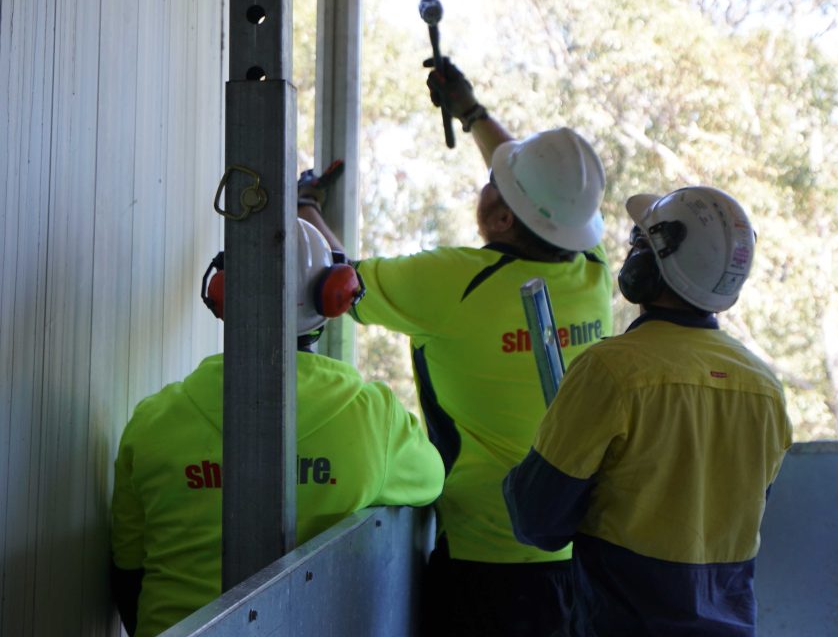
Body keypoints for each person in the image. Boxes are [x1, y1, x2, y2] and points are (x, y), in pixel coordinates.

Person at [300, 59, 613, 637]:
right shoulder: (593, 272)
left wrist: (306, 207)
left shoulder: (451, 284)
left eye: (496, 180)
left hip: (485, 562)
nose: (488, 176)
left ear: (502, 216)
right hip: (582, 554)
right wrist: (470, 113)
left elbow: (337, 282)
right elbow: (548, 202)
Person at [110, 219, 445, 637]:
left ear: (223, 297)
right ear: (333, 296)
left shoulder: (152, 422)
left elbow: (128, 571)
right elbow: (432, 481)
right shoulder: (375, 417)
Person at [503, 186, 793, 637]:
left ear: (646, 267)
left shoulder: (610, 370)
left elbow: (537, 523)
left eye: (637, 244)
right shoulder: (765, 388)